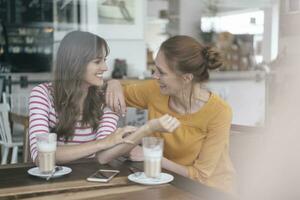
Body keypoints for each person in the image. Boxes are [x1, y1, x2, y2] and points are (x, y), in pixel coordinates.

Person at [106, 35, 236, 194]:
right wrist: (113, 83)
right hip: (167, 183)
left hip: (209, 191)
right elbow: (117, 92)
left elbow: (200, 176)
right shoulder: (154, 90)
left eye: (161, 72)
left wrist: (150, 155)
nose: (155, 76)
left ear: (186, 78)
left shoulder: (219, 112)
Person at [29, 31, 180, 164]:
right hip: (53, 179)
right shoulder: (42, 94)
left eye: (104, 60)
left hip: (92, 175)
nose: (105, 67)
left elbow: (103, 156)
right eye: (97, 61)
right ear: (75, 64)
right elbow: (41, 156)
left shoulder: (106, 96)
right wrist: (104, 143)